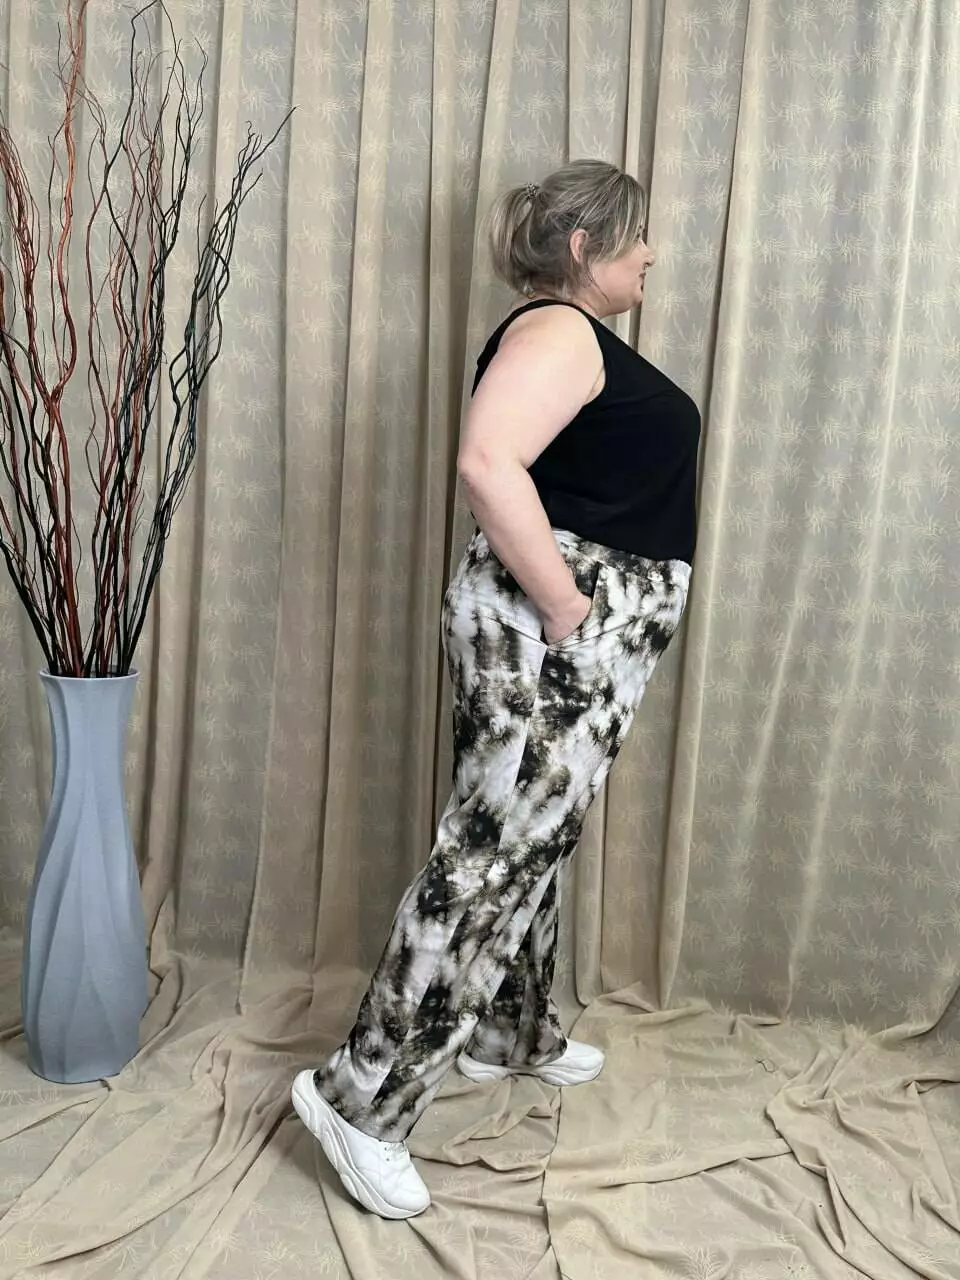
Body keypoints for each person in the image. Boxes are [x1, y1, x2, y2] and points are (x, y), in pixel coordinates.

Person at [291, 158, 701, 1219]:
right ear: (585, 246)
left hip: (573, 640)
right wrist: (567, 609)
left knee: (529, 840)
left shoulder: (571, 336)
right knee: (486, 859)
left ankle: (512, 1031)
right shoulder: (559, 330)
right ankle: (360, 1099)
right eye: (637, 236)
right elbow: (487, 461)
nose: (651, 254)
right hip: (548, 632)